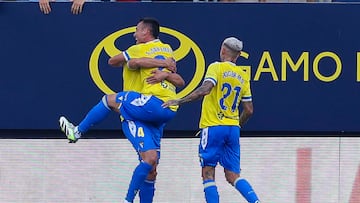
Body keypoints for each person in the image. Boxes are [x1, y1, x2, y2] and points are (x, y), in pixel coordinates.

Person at [59, 17, 185, 203]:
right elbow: (180, 81)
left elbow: (113, 61)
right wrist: (166, 69)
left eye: (137, 30)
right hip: (166, 110)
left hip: (149, 105)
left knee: (109, 99)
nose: (134, 34)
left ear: (145, 32)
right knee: (150, 163)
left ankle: (76, 132)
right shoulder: (168, 50)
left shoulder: (137, 49)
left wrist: (133, 60)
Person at [162, 37, 261, 203]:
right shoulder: (243, 76)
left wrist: (179, 100)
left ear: (222, 50)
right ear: (237, 56)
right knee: (233, 175)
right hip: (232, 128)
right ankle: (256, 201)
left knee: (208, 173)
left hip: (213, 126)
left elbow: (205, 90)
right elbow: (249, 110)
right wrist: (235, 125)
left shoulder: (216, 67)